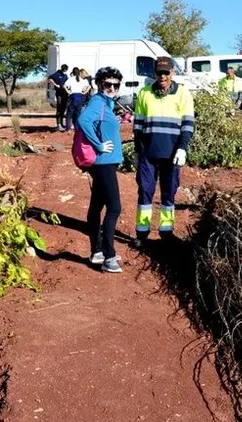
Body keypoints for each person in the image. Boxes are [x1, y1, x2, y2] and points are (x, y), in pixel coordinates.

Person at [132, 57, 194, 246]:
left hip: (172, 153)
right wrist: (137, 151)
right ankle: (142, 232)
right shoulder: (144, 93)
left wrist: (182, 148)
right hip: (148, 154)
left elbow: (188, 124)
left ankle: (166, 232)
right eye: (159, 72)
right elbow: (138, 126)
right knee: (145, 191)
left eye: (166, 72)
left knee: (169, 192)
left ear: (172, 73)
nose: (163, 76)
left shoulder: (183, 94)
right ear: (154, 73)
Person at [78, 67, 124, 273]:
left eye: (116, 85)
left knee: (96, 205)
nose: (112, 88)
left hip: (106, 162)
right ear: (99, 84)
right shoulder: (98, 102)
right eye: (108, 84)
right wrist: (98, 144)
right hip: (103, 163)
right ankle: (109, 256)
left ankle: (97, 251)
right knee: (114, 208)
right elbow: (83, 120)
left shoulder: (106, 103)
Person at [48, 64, 69, 131]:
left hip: (65, 94)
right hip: (59, 94)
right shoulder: (57, 74)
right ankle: (58, 124)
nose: (65, 71)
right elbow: (49, 78)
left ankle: (61, 123)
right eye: (65, 69)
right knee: (59, 108)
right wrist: (56, 85)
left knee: (63, 109)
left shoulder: (65, 75)